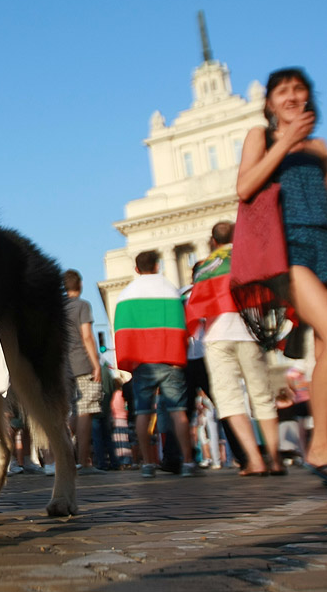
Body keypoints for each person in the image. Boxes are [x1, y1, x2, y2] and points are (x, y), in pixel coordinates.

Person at [237, 68, 327, 481]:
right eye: (282, 91)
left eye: (299, 89)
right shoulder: (263, 136)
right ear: (270, 102)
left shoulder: (319, 147)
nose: (292, 96)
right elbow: (245, 187)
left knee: (325, 347)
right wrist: (287, 141)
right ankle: (322, 448)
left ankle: (322, 448)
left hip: (324, 243)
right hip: (289, 249)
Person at [186, 221, 284, 475]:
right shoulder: (251, 259)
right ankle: (274, 458)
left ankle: (254, 459)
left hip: (219, 336)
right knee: (262, 396)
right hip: (250, 332)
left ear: (213, 241)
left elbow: (196, 306)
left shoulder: (206, 266)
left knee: (229, 399)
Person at [113, 250, 198, 478]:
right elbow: (183, 326)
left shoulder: (126, 294)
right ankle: (189, 462)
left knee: (143, 412)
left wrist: (130, 363)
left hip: (143, 363)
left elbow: (122, 332)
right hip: (170, 359)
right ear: (157, 266)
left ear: (137, 269)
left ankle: (148, 464)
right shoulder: (170, 289)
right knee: (179, 412)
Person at [63, 269, 104, 473]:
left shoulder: (59, 307)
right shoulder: (83, 306)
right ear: (79, 284)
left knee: (72, 411)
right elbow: (87, 336)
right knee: (85, 411)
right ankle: (84, 460)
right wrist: (96, 364)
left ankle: (65, 453)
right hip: (81, 363)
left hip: (64, 365)